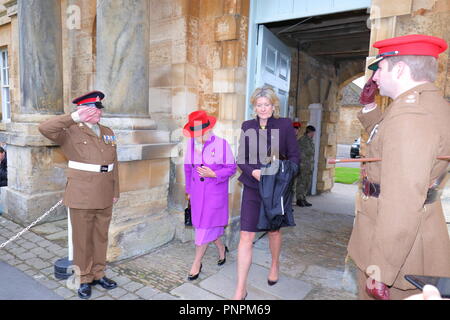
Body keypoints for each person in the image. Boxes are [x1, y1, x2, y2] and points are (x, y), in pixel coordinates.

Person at [347, 34, 450, 300]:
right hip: (410, 239)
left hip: (398, 252)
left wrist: (381, 270)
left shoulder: (411, 116)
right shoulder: (423, 105)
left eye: (379, 68)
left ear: (401, 68)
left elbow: (402, 200)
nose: (375, 78)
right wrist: (370, 107)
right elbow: (386, 141)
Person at [39, 91, 120, 299]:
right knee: (82, 239)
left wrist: (115, 190)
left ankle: (98, 273)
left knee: (101, 237)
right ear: (84, 110)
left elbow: (114, 164)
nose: (99, 112)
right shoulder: (70, 131)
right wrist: (74, 117)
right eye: (95, 109)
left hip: (104, 191)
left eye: (100, 108)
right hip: (82, 193)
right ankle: (83, 278)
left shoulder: (108, 131)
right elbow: (44, 128)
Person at [232, 86, 300, 300]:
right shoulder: (247, 126)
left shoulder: (285, 125)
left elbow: (295, 158)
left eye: (267, 105)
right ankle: (240, 289)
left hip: (275, 189)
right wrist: (254, 172)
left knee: (274, 232)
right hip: (253, 186)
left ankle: (274, 264)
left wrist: (277, 174)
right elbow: (241, 158)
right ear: (254, 106)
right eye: (259, 105)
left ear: (273, 106)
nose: (263, 109)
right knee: (245, 235)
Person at [183, 110, 237, 280]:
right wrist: (189, 192)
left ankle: (196, 263)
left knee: (203, 231)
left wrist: (213, 174)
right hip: (198, 196)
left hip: (214, 194)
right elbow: (187, 168)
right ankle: (221, 248)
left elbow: (231, 168)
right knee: (205, 227)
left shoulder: (221, 144)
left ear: (208, 129)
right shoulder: (191, 144)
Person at [295, 125, 316, 207]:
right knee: (301, 182)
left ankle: (303, 198)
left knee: (307, 182)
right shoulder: (302, 141)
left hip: (309, 166)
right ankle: (299, 199)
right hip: (303, 165)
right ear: (309, 132)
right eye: (312, 133)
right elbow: (300, 154)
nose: (313, 134)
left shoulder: (310, 141)